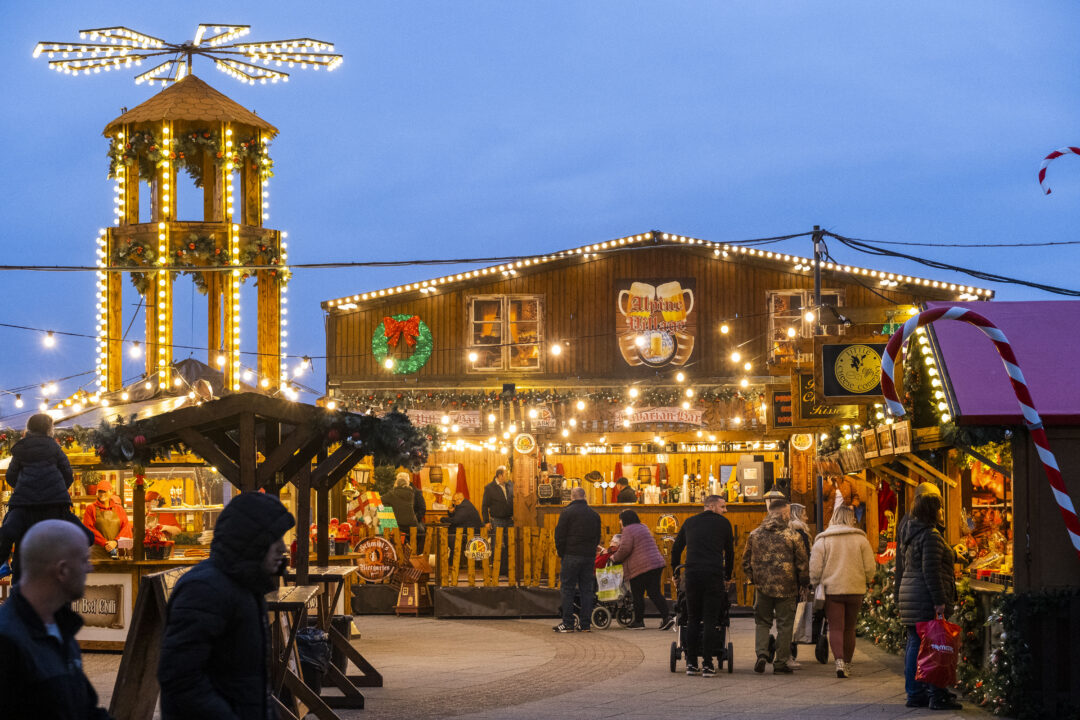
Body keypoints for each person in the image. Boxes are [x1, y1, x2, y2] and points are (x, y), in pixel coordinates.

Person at [158, 492, 295, 719]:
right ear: (254, 540)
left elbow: (250, 682)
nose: (283, 547)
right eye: (275, 539)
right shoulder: (204, 589)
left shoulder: (247, 586)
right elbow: (181, 679)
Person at [0, 519, 111, 719]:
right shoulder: (8, 641)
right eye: (84, 560)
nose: (89, 568)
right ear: (62, 570)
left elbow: (84, 709)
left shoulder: (61, 628)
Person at [0, 414, 87, 582]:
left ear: (29, 428)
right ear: (49, 429)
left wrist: (25, 487)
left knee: (9, 532)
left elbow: (10, 477)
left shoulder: (21, 449)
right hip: (54, 506)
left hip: (24, 505)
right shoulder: (55, 448)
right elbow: (68, 475)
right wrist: (55, 490)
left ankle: (4, 564)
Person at [895, 492, 961, 711]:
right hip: (923, 597)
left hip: (911, 594)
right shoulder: (930, 535)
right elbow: (930, 570)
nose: (942, 512)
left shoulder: (911, 532)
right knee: (932, 645)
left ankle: (917, 693)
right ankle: (934, 694)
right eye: (940, 508)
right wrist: (939, 600)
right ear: (933, 511)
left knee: (916, 644)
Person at [742, 498, 809, 675]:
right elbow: (802, 563)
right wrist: (804, 583)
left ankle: (762, 654)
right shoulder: (792, 536)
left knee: (762, 622)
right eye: (788, 512)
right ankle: (780, 662)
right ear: (784, 513)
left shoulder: (755, 534)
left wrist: (754, 578)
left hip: (762, 587)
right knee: (785, 625)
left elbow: (745, 561)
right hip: (787, 587)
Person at [670, 495, 735, 677]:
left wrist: (676, 573)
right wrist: (727, 576)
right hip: (713, 575)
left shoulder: (690, 522)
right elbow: (730, 552)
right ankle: (707, 664)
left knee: (692, 619)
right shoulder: (724, 524)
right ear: (711, 506)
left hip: (692, 574)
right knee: (710, 620)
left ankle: (691, 663)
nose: (725, 510)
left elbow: (676, 548)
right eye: (723, 507)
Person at [809, 504, 875, 678]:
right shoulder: (861, 540)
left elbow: (815, 568)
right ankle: (848, 663)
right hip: (855, 589)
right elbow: (870, 567)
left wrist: (815, 583)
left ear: (834, 517)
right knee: (850, 628)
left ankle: (838, 662)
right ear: (850, 519)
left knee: (836, 628)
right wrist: (867, 579)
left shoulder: (824, 540)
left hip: (833, 590)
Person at [611, 509, 673, 631]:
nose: (619, 522)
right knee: (654, 592)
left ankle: (639, 622)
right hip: (656, 564)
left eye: (620, 519)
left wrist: (614, 557)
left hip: (641, 567)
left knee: (637, 594)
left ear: (624, 520)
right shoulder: (643, 527)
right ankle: (667, 617)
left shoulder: (628, 530)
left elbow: (625, 549)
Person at [552, 487, 600, 633]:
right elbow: (597, 536)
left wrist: (562, 553)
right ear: (585, 497)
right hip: (588, 556)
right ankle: (585, 625)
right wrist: (591, 551)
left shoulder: (566, 513)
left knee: (568, 589)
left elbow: (559, 535)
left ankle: (568, 623)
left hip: (571, 555)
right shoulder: (594, 515)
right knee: (587, 590)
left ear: (572, 497)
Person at [82, 480, 133, 560]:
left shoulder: (119, 509)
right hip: (97, 553)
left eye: (104, 491)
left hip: (116, 552)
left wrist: (115, 542)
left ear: (111, 492)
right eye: (100, 491)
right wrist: (105, 543)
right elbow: (88, 529)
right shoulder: (91, 508)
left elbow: (126, 528)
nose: (102, 494)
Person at [482, 466, 514, 571]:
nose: (508, 476)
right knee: (497, 545)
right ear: (500, 475)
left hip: (509, 519)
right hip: (497, 520)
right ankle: (497, 570)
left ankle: (507, 569)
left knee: (510, 544)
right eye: (506, 474)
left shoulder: (510, 485)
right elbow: (484, 506)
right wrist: (486, 521)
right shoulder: (489, 488)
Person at [381, 473, 419, 538]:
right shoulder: (411, 493)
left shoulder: (392, 494)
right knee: (411, 540)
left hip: (399, 524)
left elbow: (382, 499)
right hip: (412, 523)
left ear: (396, 484)